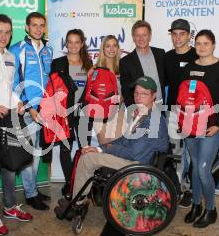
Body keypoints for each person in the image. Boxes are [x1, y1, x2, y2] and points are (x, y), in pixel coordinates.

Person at [55, 76, 169, 215]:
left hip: (140, 164)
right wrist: (99, 148)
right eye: (136, 93)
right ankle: (78, 198)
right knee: (88, 153)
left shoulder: (153, 120)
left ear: (153, 96)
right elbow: (123, 140)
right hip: (134, 159)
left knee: (88, 159)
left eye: (144, 94)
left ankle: (77, 203)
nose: (138, 97)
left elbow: (134, 153)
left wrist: (108, 149)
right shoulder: (141, 115)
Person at [0, 14, 32, 236]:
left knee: (11, 163)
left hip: (10, 116)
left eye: (8, 31)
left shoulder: (11, 56)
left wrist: (17, 101)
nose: (3, 36)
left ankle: (10, 206)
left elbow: (9, 86)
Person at [180, 29, 219, 228]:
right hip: (190, 127)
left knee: (203, 170)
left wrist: (218, 126)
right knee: (195, 168)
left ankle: (210, 209)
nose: (202, 47)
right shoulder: (189, 68)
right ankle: (196, 205)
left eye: (206, 43)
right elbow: (183, 97)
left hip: (210, 129)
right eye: (199, 43)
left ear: (213, 45)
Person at [10, 12, 53, 211]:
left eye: (41, 25)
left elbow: (49, 80)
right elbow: (14, 82)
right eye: (34, 25)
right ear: (26, 27)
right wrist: (29, 107)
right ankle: (30, 194)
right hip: (26, 111)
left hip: (43, 110)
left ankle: (32, 189)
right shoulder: (17, 49)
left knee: (36, 153)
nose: (38, 29)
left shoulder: (48, 49)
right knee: (29, 155)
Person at [50, 29, 92, 189]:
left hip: (83, 113)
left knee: (84, 149)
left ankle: (80, 182)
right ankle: (70, 183)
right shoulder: (58, 63)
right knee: (65, 149)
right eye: (70, 42)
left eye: (77, 42)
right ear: (66, 43)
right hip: (64, 113)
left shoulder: (88, 64)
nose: (73, 46)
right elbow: (52, 88)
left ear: (82, 44)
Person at [164, 19, 198, 208]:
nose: (177, 38)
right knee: (176, 153)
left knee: (193, 152)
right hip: (173, 112)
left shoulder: (197, 55)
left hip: (194, 114)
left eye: (182, 34)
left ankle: (192, 190)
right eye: (174, 34)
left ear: (189, 36)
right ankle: (178, 187)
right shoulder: (167, 57)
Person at [119, 20, 165, 106]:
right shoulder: (125, 62)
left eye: (144, 35)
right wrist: (133, 109)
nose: (141, 39)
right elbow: (126, 90)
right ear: (133, 38)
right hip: (140, 109)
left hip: (161, 106)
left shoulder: (160, 54)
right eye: (137, 35)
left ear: (150, 36)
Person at [95, 35, 125, 144]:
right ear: (103, 49)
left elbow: (128, 90)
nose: (111, 49)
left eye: (114, 45)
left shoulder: (123, 67)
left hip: (119, 112)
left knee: (118, 148)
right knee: (105, 147)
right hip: (101, 115)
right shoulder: (95, 69)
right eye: (108, 46)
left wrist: (122, 98)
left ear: (118, 48)